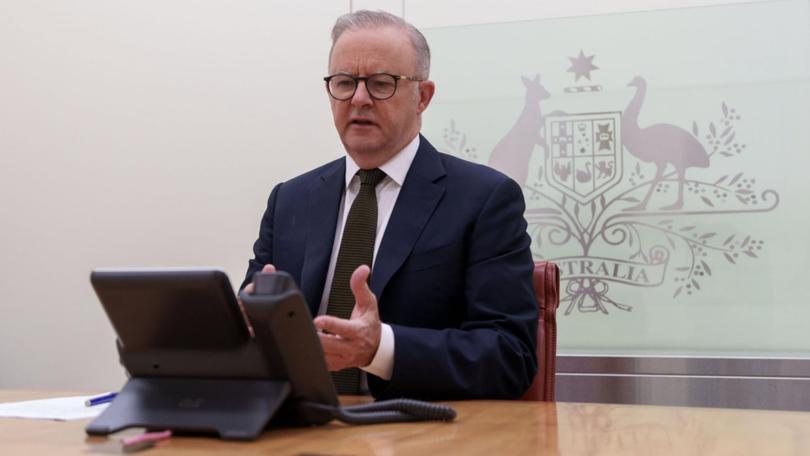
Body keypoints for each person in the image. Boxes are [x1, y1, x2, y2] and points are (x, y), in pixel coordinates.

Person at [241, 10, 538, 400]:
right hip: (300, 426)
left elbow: (509, 356)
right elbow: (249, 316)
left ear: (423, 97)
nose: (359, 99)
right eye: (344, 83)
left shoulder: (484, 199)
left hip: (419, 430)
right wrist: (245, 325)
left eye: (381, 84)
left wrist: (379, 349)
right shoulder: (291, 199)